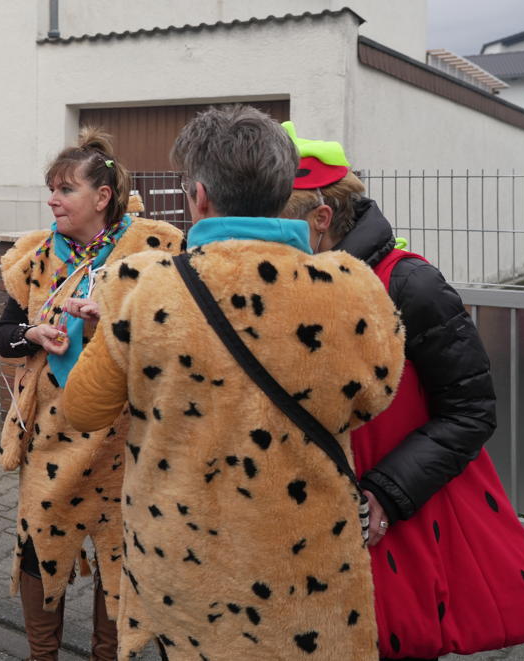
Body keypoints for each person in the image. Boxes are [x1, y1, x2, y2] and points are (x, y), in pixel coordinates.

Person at [63, 105, 406, 660]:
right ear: (284, 189)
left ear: (199, 196)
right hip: (309, 568)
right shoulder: (354, 288)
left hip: (186, 569)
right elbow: (375, 397)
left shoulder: (146, 290)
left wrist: (117, 338)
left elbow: (82, 409)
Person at [280, 122, 524, 661]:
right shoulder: (286, 282)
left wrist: (386, 493)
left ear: (321, 219)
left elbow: (471, 411)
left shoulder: (411, 284)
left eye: (277, 222)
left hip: (394, 517)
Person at [0, 128, 183, 661]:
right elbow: (3, 333)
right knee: (38, 547)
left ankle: (109, 655)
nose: (53, 199)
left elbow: (180, 331)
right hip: (50, 438)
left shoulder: (153, 248)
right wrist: (30, 334)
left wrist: (117, 319)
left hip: (125, 441)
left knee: (118, 558)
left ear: (102, 197)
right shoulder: (32, 257)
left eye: (65, 189)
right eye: (50, 188)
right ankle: (41, 655)